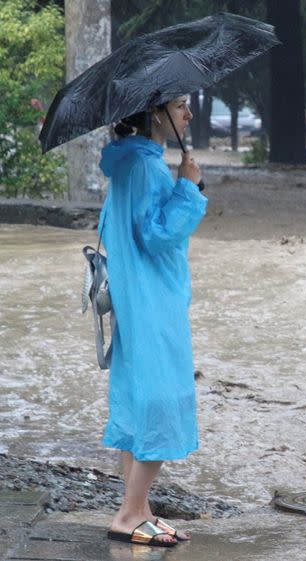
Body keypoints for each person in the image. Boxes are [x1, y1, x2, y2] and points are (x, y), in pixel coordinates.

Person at [98, 95, 207, 547]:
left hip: (136, 298)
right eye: (180, 105)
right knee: (163, 401)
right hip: (152, 301)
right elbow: (157, 234)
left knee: (138, 401)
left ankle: (140, 510)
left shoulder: (128, 165)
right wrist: (189, 188)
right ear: (156, 113)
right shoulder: (147, 168)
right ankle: (128, 513)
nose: (188, 114)